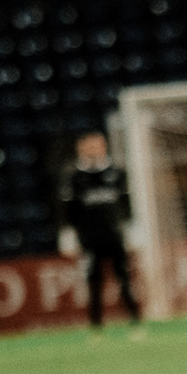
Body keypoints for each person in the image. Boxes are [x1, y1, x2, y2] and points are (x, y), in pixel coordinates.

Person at [57, 130, 141, 327]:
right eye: (88, 147)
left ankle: (135, 320)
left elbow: (126, 204)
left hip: (115, 236)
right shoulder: (75, 177)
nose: (93, 150)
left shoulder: (117, 173)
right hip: (89, 239)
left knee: (124, 278)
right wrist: (68, 235)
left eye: (96, 146)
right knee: (93, 281)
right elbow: (68, 209)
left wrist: (133, 229)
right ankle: (96, 326)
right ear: (80, 149)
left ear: (104, 147)